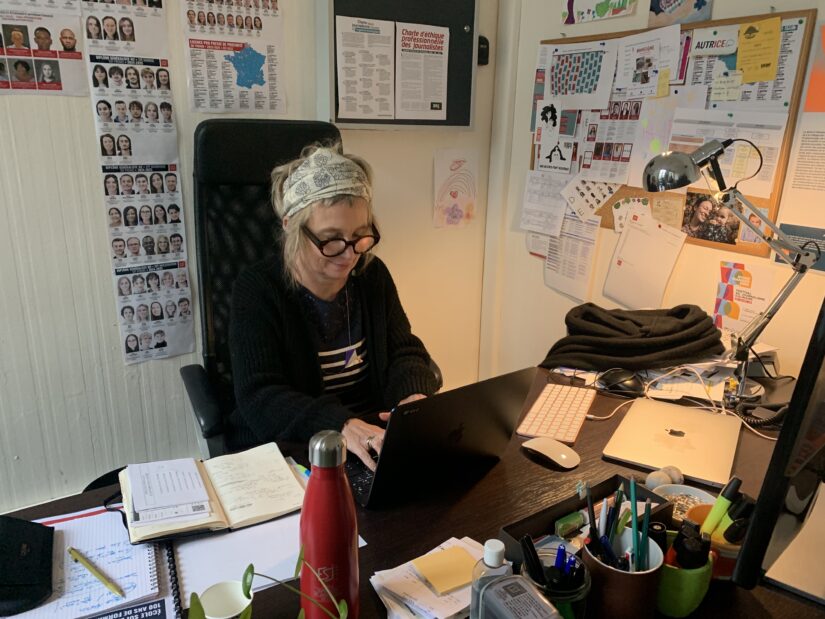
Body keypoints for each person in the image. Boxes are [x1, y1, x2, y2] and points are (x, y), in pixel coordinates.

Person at [227, 142, 437, 467]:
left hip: (371, 438)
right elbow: (261, 396)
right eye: (331, 238)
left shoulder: (371, 275)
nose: (350, 253)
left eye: (361, 236)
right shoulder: (258, 289)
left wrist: (413, 400)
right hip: (296, 447)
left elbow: (403, 351)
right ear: (291, 227)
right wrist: (341, 425)